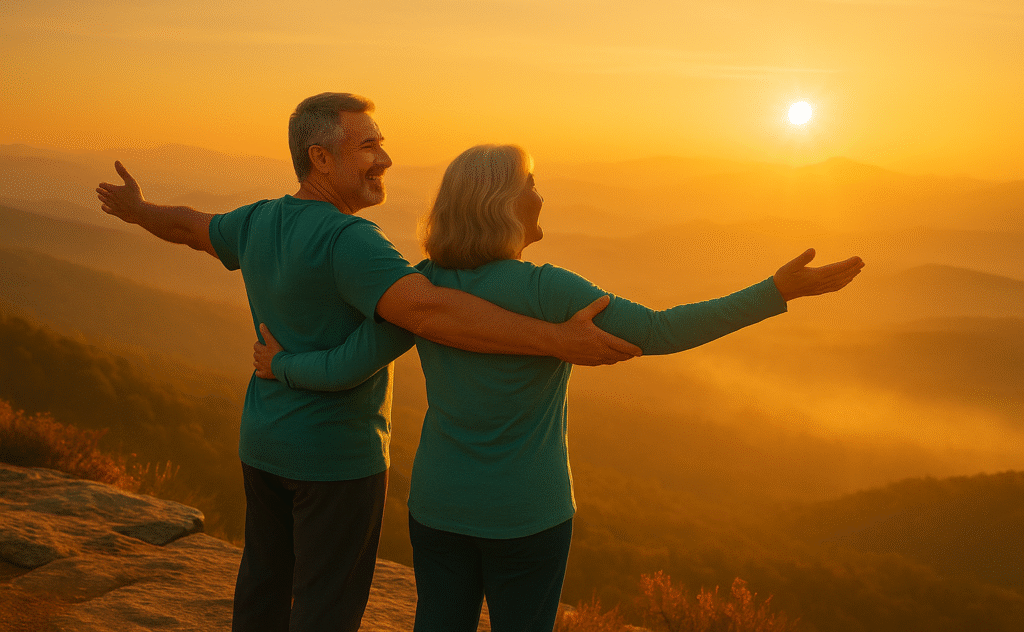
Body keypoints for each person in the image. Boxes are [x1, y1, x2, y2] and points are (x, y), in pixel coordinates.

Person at [252, 144, 865, 632]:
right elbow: (660, 330)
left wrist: (281, 365)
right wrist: (775, 291)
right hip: (529, 512)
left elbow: (343, 366)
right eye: (530, 185)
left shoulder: (422, 287)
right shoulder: (550, 290)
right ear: (504, 203)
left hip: (439, 507)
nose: (540, 196)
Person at [95, 95, 642, 632]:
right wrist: (557, 339)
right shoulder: (350, 239)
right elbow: (428, 310)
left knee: (263, 586)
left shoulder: (261, 220)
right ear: (320, 157)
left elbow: (192, 227)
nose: (384, 159)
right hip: (335, 460)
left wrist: (138, 211)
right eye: (368, 145)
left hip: (262, 442)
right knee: (326, 607)